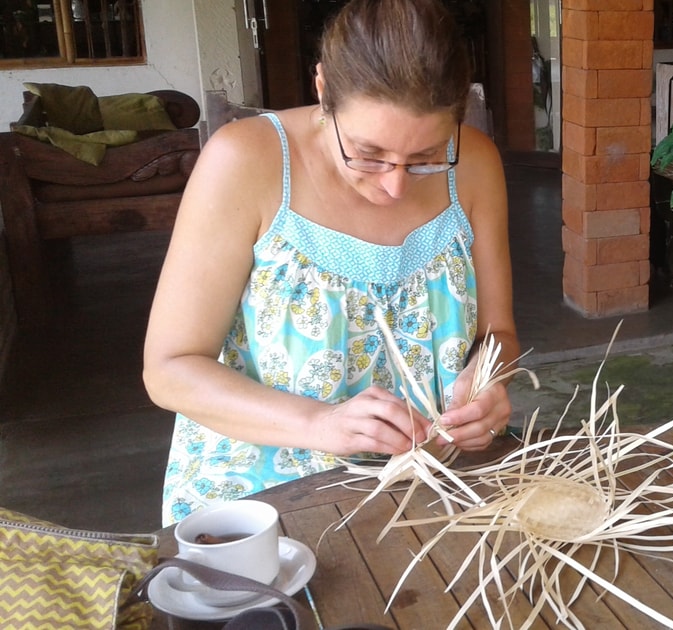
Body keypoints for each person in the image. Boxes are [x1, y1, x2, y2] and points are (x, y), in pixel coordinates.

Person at [143, 0, 519, 525]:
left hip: (432, 480)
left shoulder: (474, 163)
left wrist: (487, 383)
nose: (395, 185)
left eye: (425, 158)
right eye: (367, 153)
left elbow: (498, 333)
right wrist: (321, 425)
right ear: (322, 89)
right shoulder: (245, 161)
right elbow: (170, 370)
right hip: (264, 495)